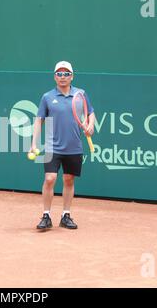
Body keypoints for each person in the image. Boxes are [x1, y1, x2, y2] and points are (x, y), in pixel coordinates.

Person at [31, 61, 95, 230]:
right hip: (52, 147)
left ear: (72, 76)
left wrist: (90, 125)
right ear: (54, 77)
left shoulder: (80, 94)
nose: (62, 77)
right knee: (50, 178)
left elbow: (91, 113)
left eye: (66, 73)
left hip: (74, 147)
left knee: (68, 179)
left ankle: (66, 215)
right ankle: (46, 215)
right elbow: (39, 121)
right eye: (59, 73)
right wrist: (33, 143)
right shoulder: (47, 97)